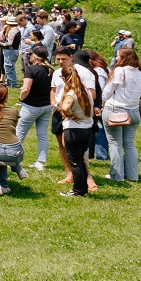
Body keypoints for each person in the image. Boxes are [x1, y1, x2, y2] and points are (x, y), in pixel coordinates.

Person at [102, 48, 141, 182]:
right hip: (133, 111)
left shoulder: (119, 71)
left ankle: (117, 176)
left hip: (116, 110)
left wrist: (103, 99)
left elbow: (107, 92)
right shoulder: (140, 73)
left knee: (115, 144)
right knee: (129, 144)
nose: (116, 58)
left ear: (124, 58)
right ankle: (133, 175)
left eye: (118, 56)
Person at [57, 66, 94, 197]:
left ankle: (78, 190)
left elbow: (65, 106)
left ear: (63, 78)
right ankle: (83, 188)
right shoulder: (86, 91)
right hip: (87, 129)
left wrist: (70, 114)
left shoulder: (71, 93)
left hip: (74, 130)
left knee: (74, 161)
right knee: (81, 160)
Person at [1, 16, 21, 88]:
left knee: (9, 67)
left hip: (10, 50)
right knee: (8, 67)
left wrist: (2, 43)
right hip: (14, 50)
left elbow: (9, 43)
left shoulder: (12, 31)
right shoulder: (17, 30)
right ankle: (8, 82)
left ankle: (13, 83)